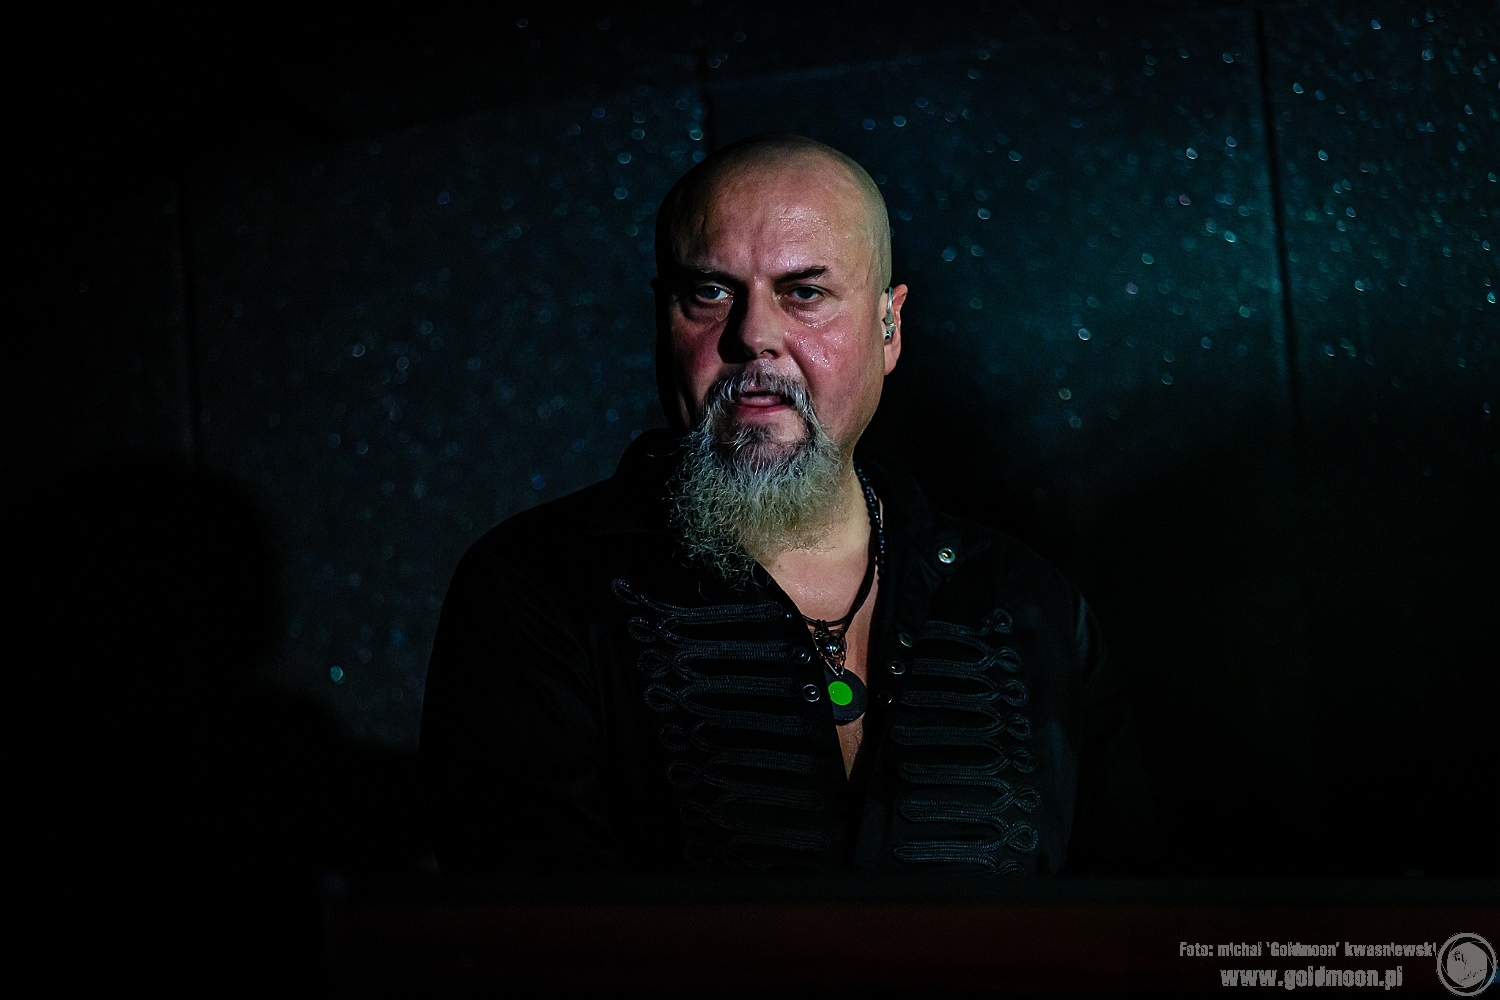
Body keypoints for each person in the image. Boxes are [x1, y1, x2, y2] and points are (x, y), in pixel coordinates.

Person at [419, 133, 1153, 874]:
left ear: (890, 327)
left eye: (803, 293)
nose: (753, 336)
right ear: (661, 319)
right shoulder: (536, 591)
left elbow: (1131, 909)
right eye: (710, 293)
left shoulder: (1032, 606)